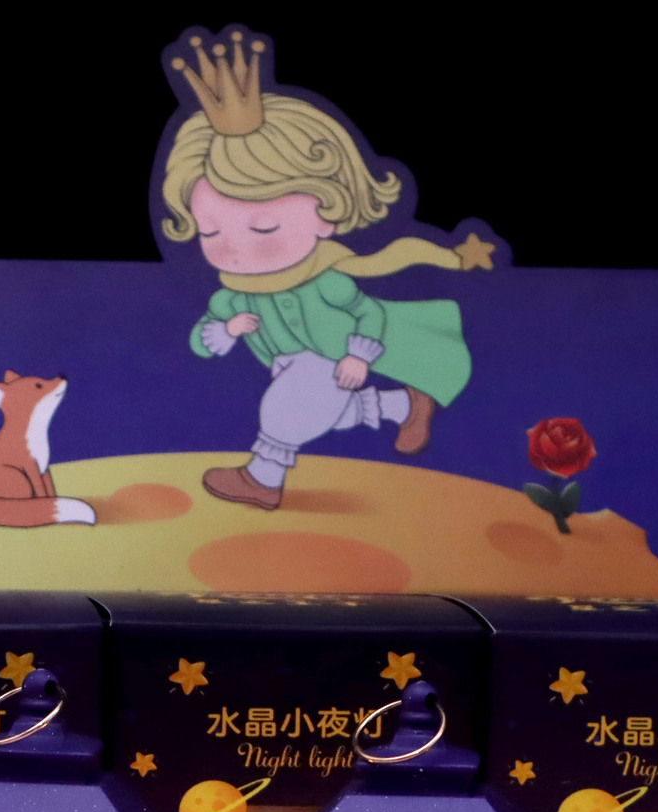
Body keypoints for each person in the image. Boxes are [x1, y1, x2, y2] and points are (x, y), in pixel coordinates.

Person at [162, 31, 479, 509]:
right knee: (323, 411)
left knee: (283, 413)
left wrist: (357, 357)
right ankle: (404, 405)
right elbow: (200, 340)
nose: (236, 249)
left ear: (325, 213)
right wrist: (226, 330)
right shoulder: (234, 296)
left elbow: (370, 314)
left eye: (264, 227)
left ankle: (262, 479)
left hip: (329, 357)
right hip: (286, 363)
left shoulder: (327, 282)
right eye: (210, 231)